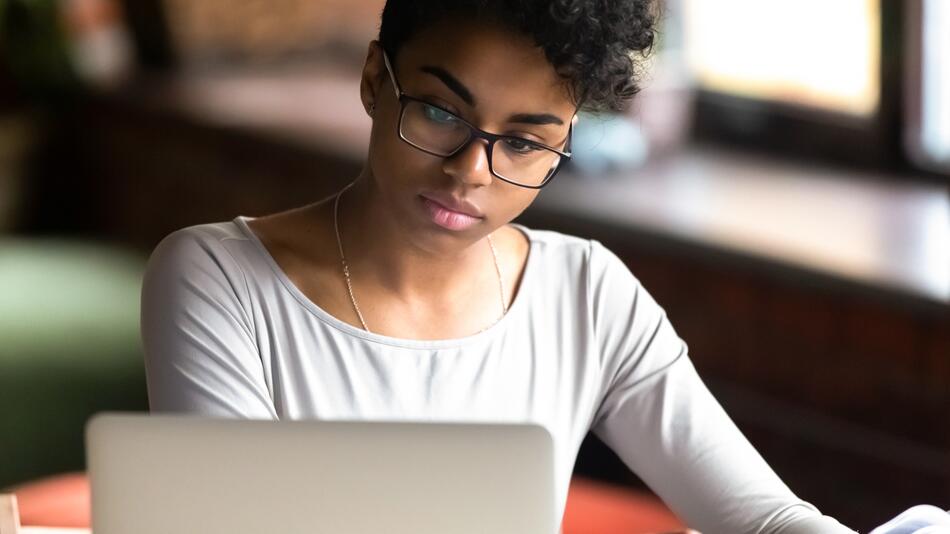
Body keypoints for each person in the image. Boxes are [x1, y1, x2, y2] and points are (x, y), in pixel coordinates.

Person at [140, 1, 866, 532]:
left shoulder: (587, 295)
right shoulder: (218, 282)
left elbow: (765, 520)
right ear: (373, 80)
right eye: (441, 113)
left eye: (524, 143)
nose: (471, 171)